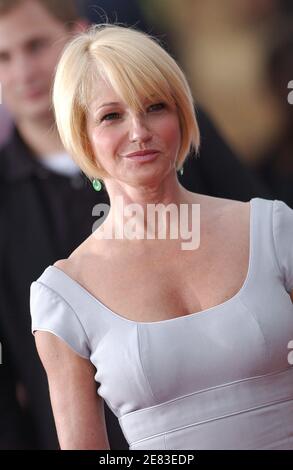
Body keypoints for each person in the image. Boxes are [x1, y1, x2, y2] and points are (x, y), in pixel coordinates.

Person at [29, 24, 293, 450]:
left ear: (182, 115)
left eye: (154, 107)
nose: (138, 131)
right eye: (111, 116)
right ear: (82, 135)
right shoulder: (63, 296)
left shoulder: (274, 229)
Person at [0, 0, 125, 449]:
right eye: (3, 57)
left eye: (35, 46)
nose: (22, 72)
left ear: (79, 36)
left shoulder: (162, 131)